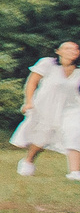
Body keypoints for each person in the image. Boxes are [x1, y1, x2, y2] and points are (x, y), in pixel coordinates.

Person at [12, 41, 80, 179]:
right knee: (41, 139)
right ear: (58, 51)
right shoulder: (47, 64)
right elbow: (32, 82)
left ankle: (74, 172)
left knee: (75, 132)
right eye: (67, 48)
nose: (72, 51)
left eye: (75, 49)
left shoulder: (78, 70)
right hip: (45, 107)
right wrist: (29, 101)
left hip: (71, 108)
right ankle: (28, 161)